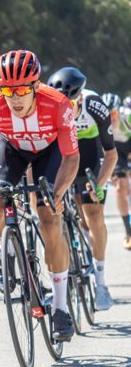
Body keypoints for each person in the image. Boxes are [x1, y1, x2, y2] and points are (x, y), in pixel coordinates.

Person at [0, 50, 80, 341]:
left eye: (22, 90)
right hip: (11, 148)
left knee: (49, 217)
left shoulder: (58, 104)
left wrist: (58, 194)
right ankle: (7, 250)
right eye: (7, 90)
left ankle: (60, 307)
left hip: (49, 152)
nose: (14, 98)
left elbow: (71, 158)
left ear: (36, 85)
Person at [48, 68, 118, 311]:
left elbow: (111, 154)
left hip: (91, 155)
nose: (66, 111)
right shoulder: (49, 109)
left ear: (79, 99)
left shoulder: (94, 105)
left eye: (70, 105)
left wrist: (99, 184)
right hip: (65, 155)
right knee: (68, 212)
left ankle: (101, 283)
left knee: (93, 213)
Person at [103, 93, 131, 249]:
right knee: (120, 187)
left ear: (119, 111)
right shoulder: (100, 122)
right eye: (107, 115)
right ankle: (129, 232)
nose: (111, 118)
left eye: (113, 114)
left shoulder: (128, 117)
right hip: (116, 152)